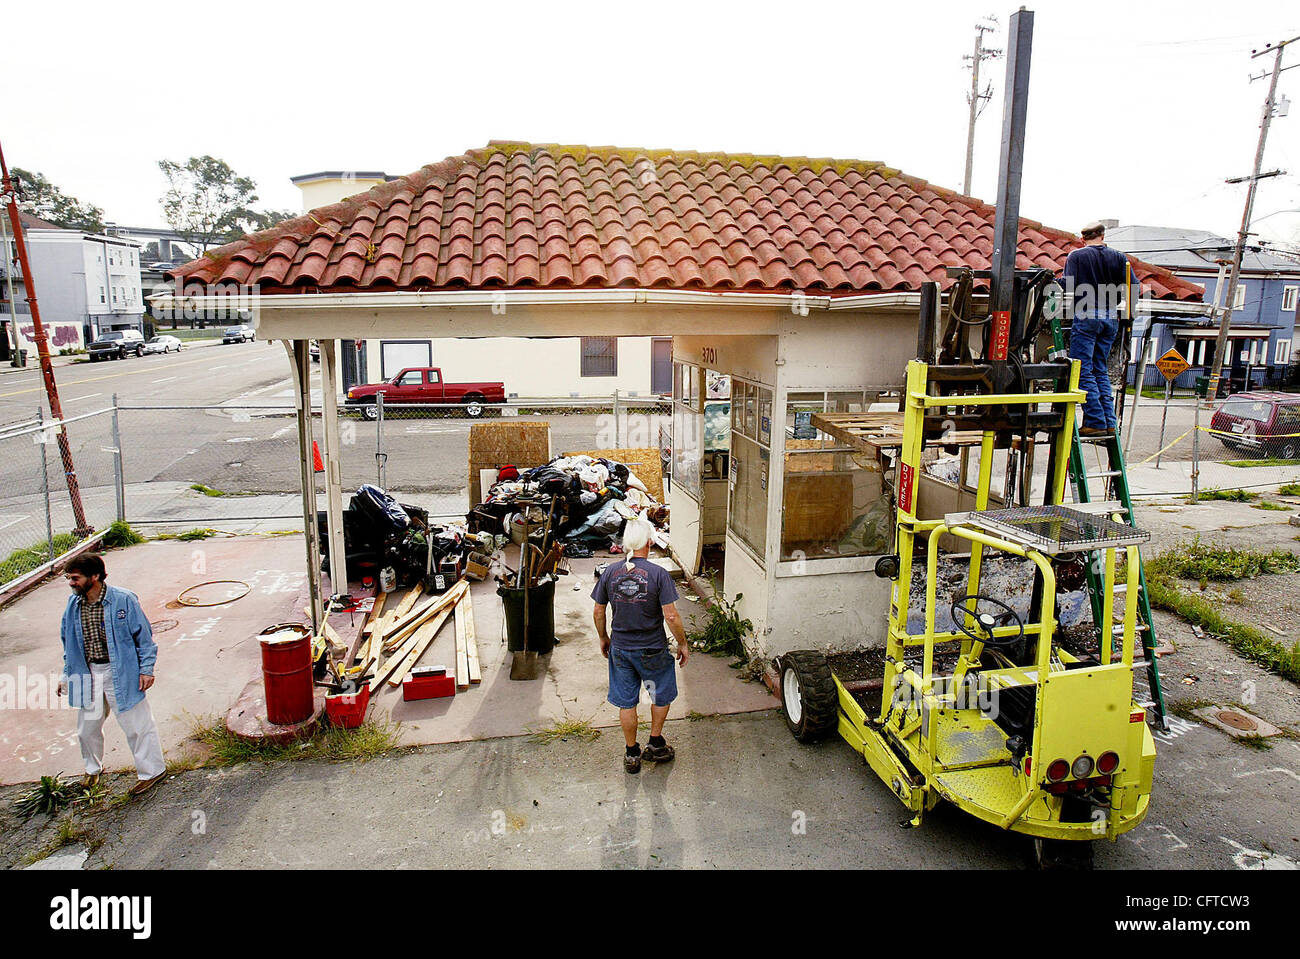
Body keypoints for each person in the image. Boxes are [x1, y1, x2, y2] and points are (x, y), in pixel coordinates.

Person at [57, 553, 166, 796]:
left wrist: (146, 669)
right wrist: (66, 674)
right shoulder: (73, 605)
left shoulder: (123, 600)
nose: (71, 583)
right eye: (69, 578)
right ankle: (92, 770)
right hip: (88, 672)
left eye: (75, 578)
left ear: (94, 576)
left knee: (137, 725)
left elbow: (144, 638)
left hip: (122, 672)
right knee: (87, 728)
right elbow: (69, 643)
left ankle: (152, 772)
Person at [591, 519, 689, 773]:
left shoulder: (610, 573)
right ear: (649, 541)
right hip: (652, 649)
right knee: (659, 693)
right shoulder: (659, 575)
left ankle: (632, 753)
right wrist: (683, 642)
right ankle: (655, 742)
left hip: (621, 649)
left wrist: (603, 638)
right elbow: (671, 616)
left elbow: (599, 611)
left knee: (627, 702)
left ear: (626, 543)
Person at [1064, 221, 1132, 437]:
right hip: (1111, 316)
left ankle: (1094, 420)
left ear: (1083, 239)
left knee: (1082, 368)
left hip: (1086, 313)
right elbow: (1132, 285)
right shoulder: (1120, 258)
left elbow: (1068, 285)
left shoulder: (1077, 256)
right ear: (1102, 236)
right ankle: (1109, 421)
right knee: (1099, 369)